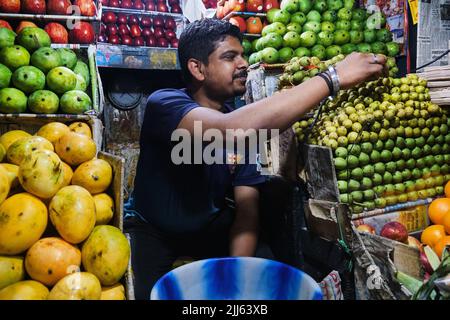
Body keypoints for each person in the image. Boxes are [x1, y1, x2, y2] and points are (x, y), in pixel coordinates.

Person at [126, 18, 388, 300]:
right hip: (153, 231)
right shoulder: (164, 104)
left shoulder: (244, 123)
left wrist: (238, 279)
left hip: (208, 226)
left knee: (262, 270)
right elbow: (230, 130)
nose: (243, 64)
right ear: (197, 68)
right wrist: (332, 78)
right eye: (229, 57)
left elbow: (247, 211)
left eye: (242, 55)